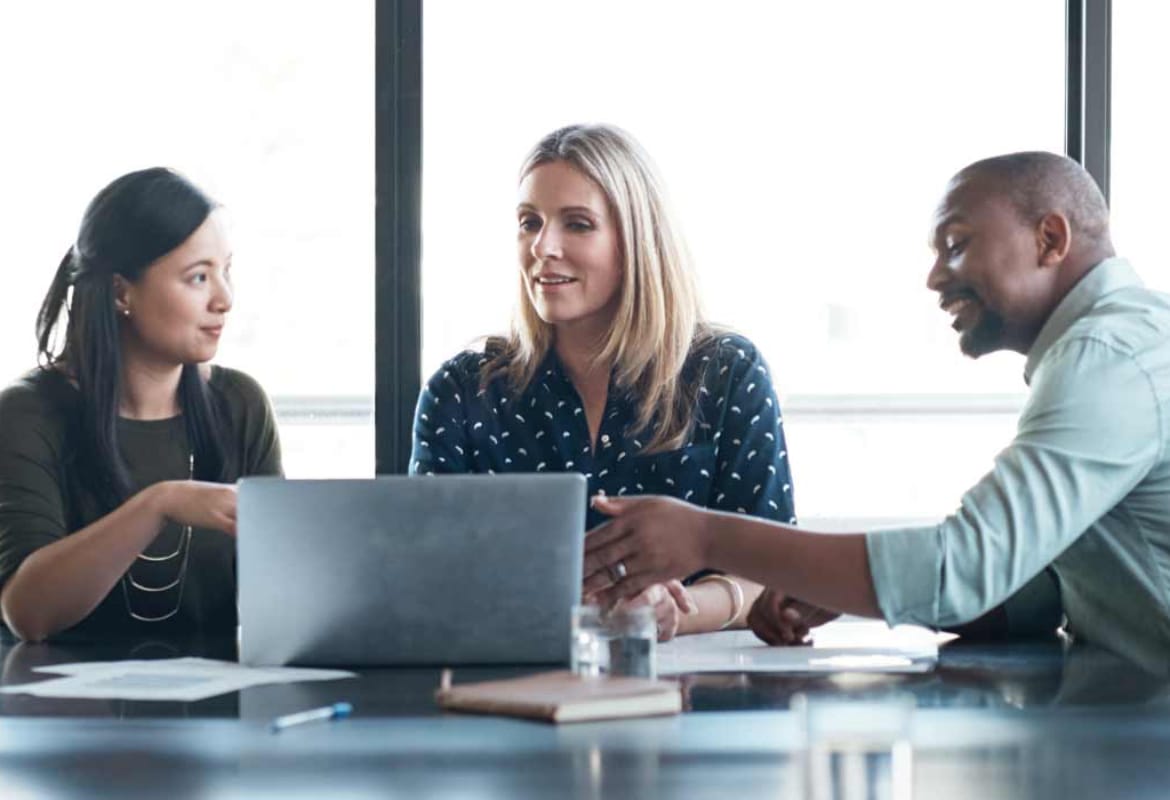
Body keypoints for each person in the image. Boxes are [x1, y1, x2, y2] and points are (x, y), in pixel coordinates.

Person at [582, 151, 1170, 670]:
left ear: (1050, 239)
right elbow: (1042, 593)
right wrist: (840, 586)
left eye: (956, 244)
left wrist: (705, 535)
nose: (936, 276)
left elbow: (963, 569)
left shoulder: (1106, 357)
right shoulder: (1119, 348)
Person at [411, 123, 796, 641]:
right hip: (515, 689)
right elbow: (422, 579)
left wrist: (673, 612)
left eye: (577, 224)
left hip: (694, 692)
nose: (543, 247)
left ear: (637, 240)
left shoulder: (726, 373)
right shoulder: (461, 392)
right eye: (529, 222)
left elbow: (773, 569)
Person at [0, 167, 282, 642]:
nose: (225, 299)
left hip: (217, 707)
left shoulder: (240, 405)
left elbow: (282, 587)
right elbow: (29, 613)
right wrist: (160, 504)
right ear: (120, 291)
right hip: (59, 711)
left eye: (225, 271)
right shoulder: (27, 415)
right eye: (198, 277)